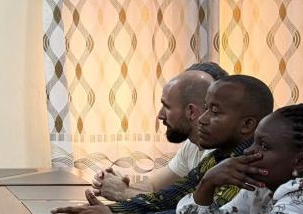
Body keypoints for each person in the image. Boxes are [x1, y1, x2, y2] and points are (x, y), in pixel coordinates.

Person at [47, 75, 274, 214]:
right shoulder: (218, 157)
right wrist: (110, 212)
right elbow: (168, 198)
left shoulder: (251, 168)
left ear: (247, 124)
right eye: (205, 109)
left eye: (214, 112)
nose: (202, 119)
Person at [93, 68, 219, 201]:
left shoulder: (217, 154)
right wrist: (120, 185)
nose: (160, 115)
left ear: (191, 112)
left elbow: (185, 208)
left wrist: (122, 192)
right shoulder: (191, 146)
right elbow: (153, 186)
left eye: (167, 107)